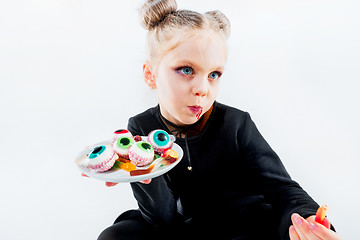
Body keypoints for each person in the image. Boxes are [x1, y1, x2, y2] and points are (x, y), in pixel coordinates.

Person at [96, 0, 342, 239]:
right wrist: (144, 175)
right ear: (151, 75)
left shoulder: (236, 123)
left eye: (214, 74)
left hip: (247, 222)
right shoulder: (142, 128)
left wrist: (307, 218)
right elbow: (163, 219)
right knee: (118, 234)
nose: (203, 89)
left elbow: (282, 188)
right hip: (189, 224)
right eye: (186, 70)